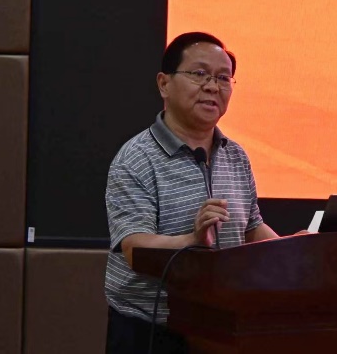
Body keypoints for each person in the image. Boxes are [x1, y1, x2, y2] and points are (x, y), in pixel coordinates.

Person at [104, 32, 280, 353]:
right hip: (151, 331)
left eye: (223, 78)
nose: (213, 86)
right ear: (164, 84)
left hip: (221, 327)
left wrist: (293, 250)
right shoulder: (136, 159)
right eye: (199, 74)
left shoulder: (235, 155)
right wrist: (193, 240)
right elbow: (135, 247)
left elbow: (252, 228)